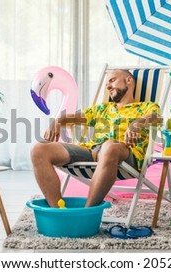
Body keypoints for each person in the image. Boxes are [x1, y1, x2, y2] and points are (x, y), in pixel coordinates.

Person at [31, 69, 161, 208]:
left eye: (112, 80)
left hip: (125, 154)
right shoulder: (101, 109)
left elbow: (156, 118)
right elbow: (73, 117)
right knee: (39, 150)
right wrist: (56, 122)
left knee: (110, 146)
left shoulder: (147, 106)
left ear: (128, 80)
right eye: (107, 84)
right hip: (92, 152)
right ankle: (58, 210)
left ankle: (87, 211)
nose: (108, 86)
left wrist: (136, 124)